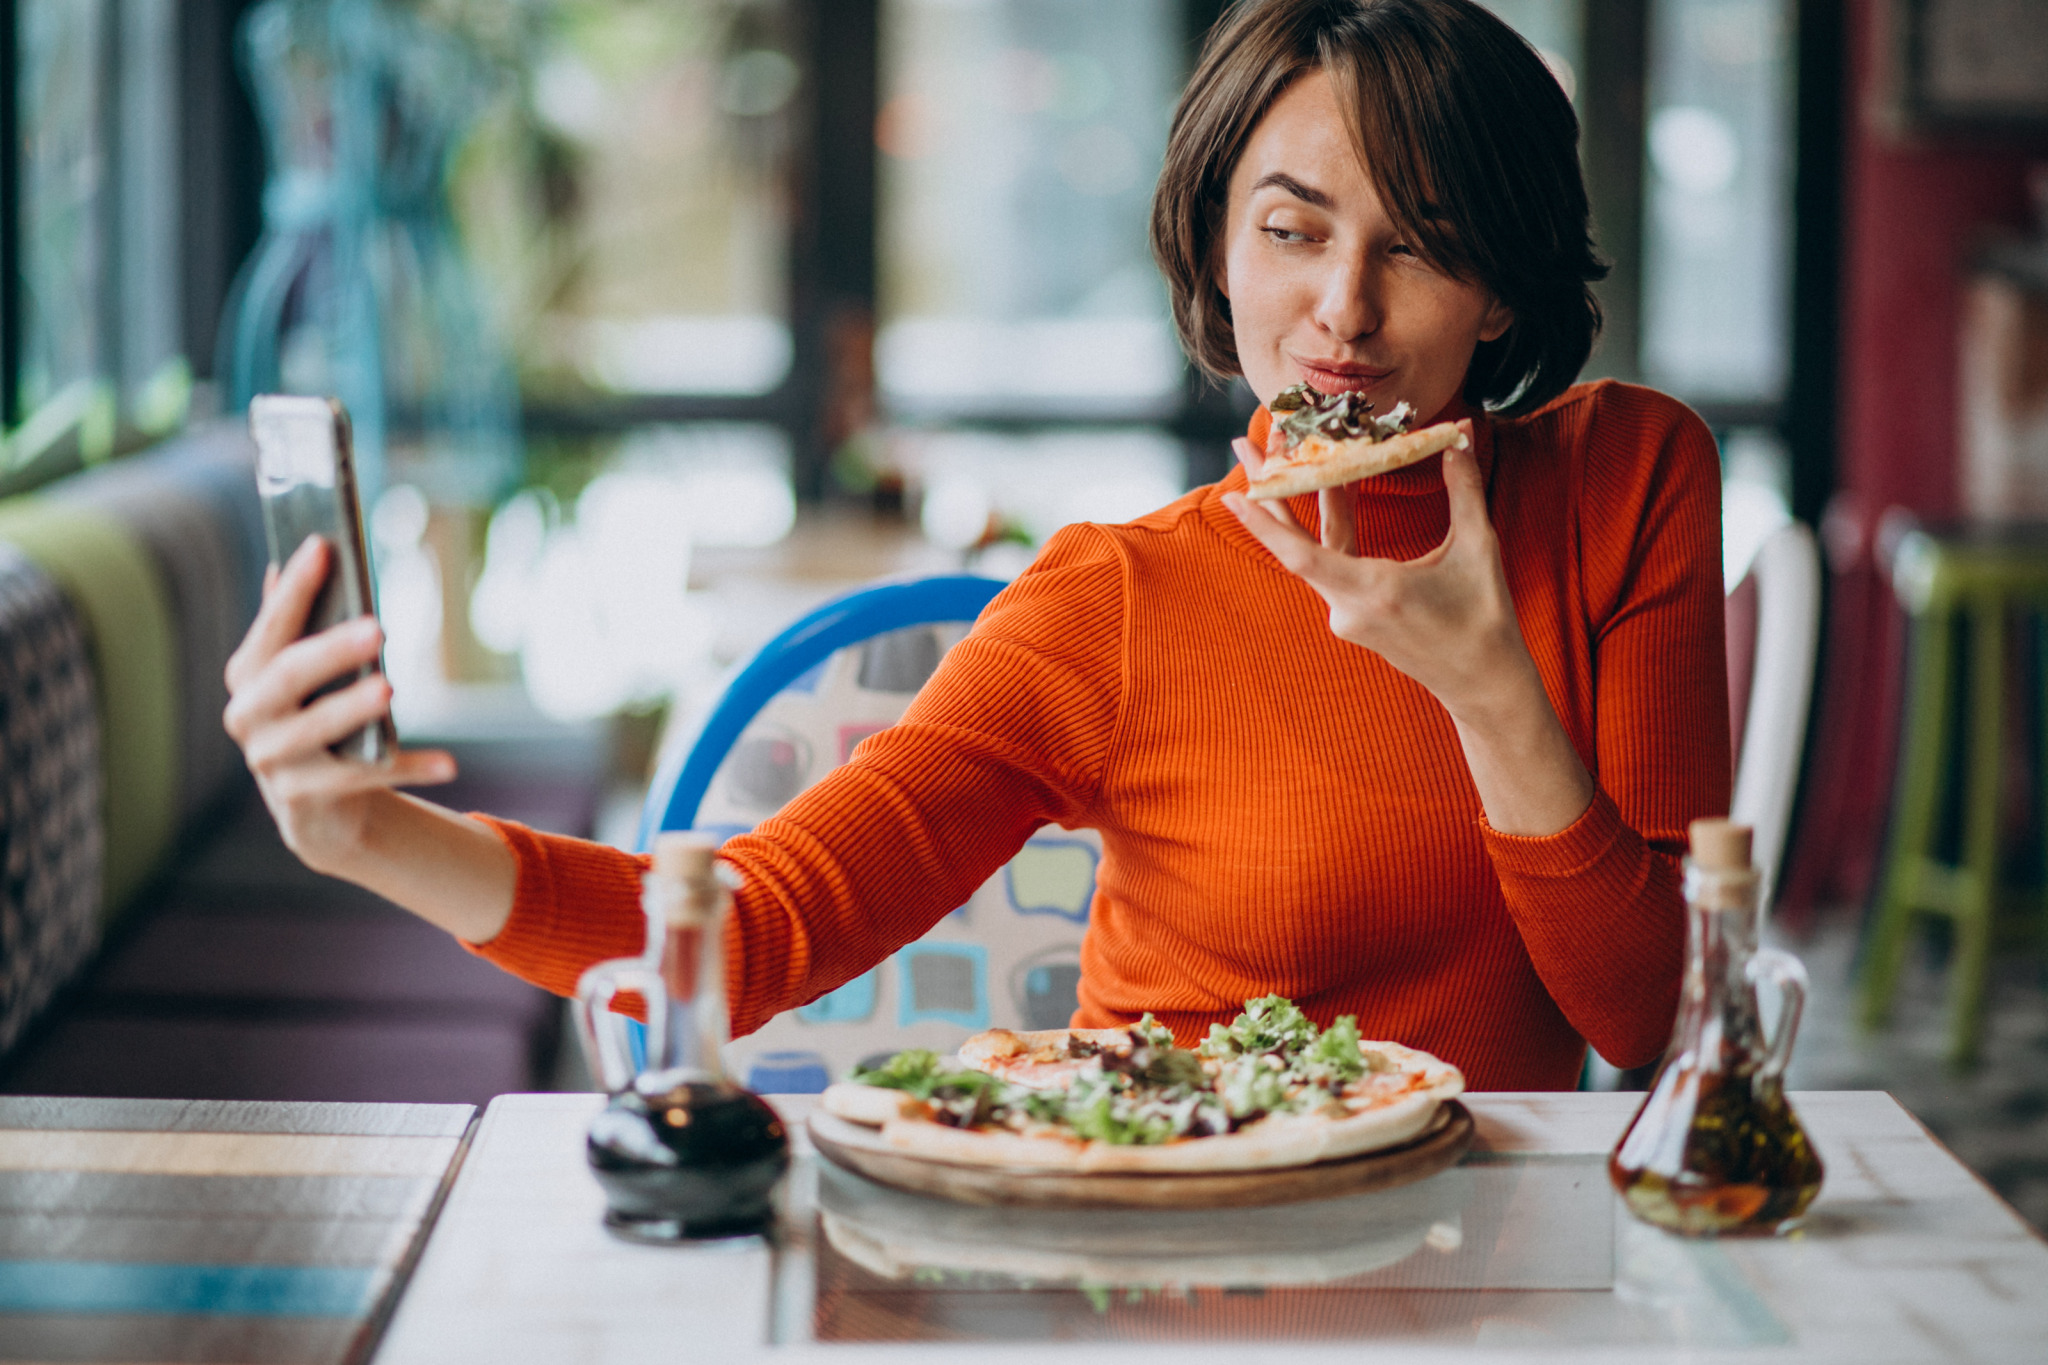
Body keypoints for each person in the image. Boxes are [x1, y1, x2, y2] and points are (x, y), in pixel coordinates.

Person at [222, 0, 1727, 1092]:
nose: (1343, 307)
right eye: (1292, 229)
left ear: (1507, 292)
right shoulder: (1118, 598)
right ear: (1215, 239)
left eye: (1421, 241)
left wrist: (1489, 693)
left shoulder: (1626, 477)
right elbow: (757, 932)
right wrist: (363, 833)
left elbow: (1646, 1021)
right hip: (1169, 1259)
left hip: (1501, 1276)